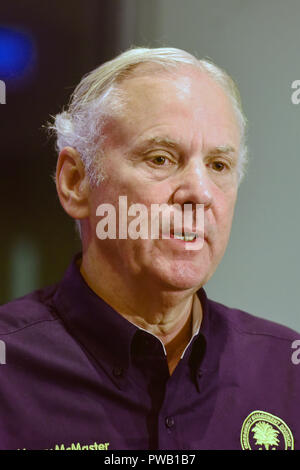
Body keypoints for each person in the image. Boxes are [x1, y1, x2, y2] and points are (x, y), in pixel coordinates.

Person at [0, 46, 299, 451]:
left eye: (218, 165)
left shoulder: (286, 372)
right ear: (75, 182)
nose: (200, 192)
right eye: (161, 158)